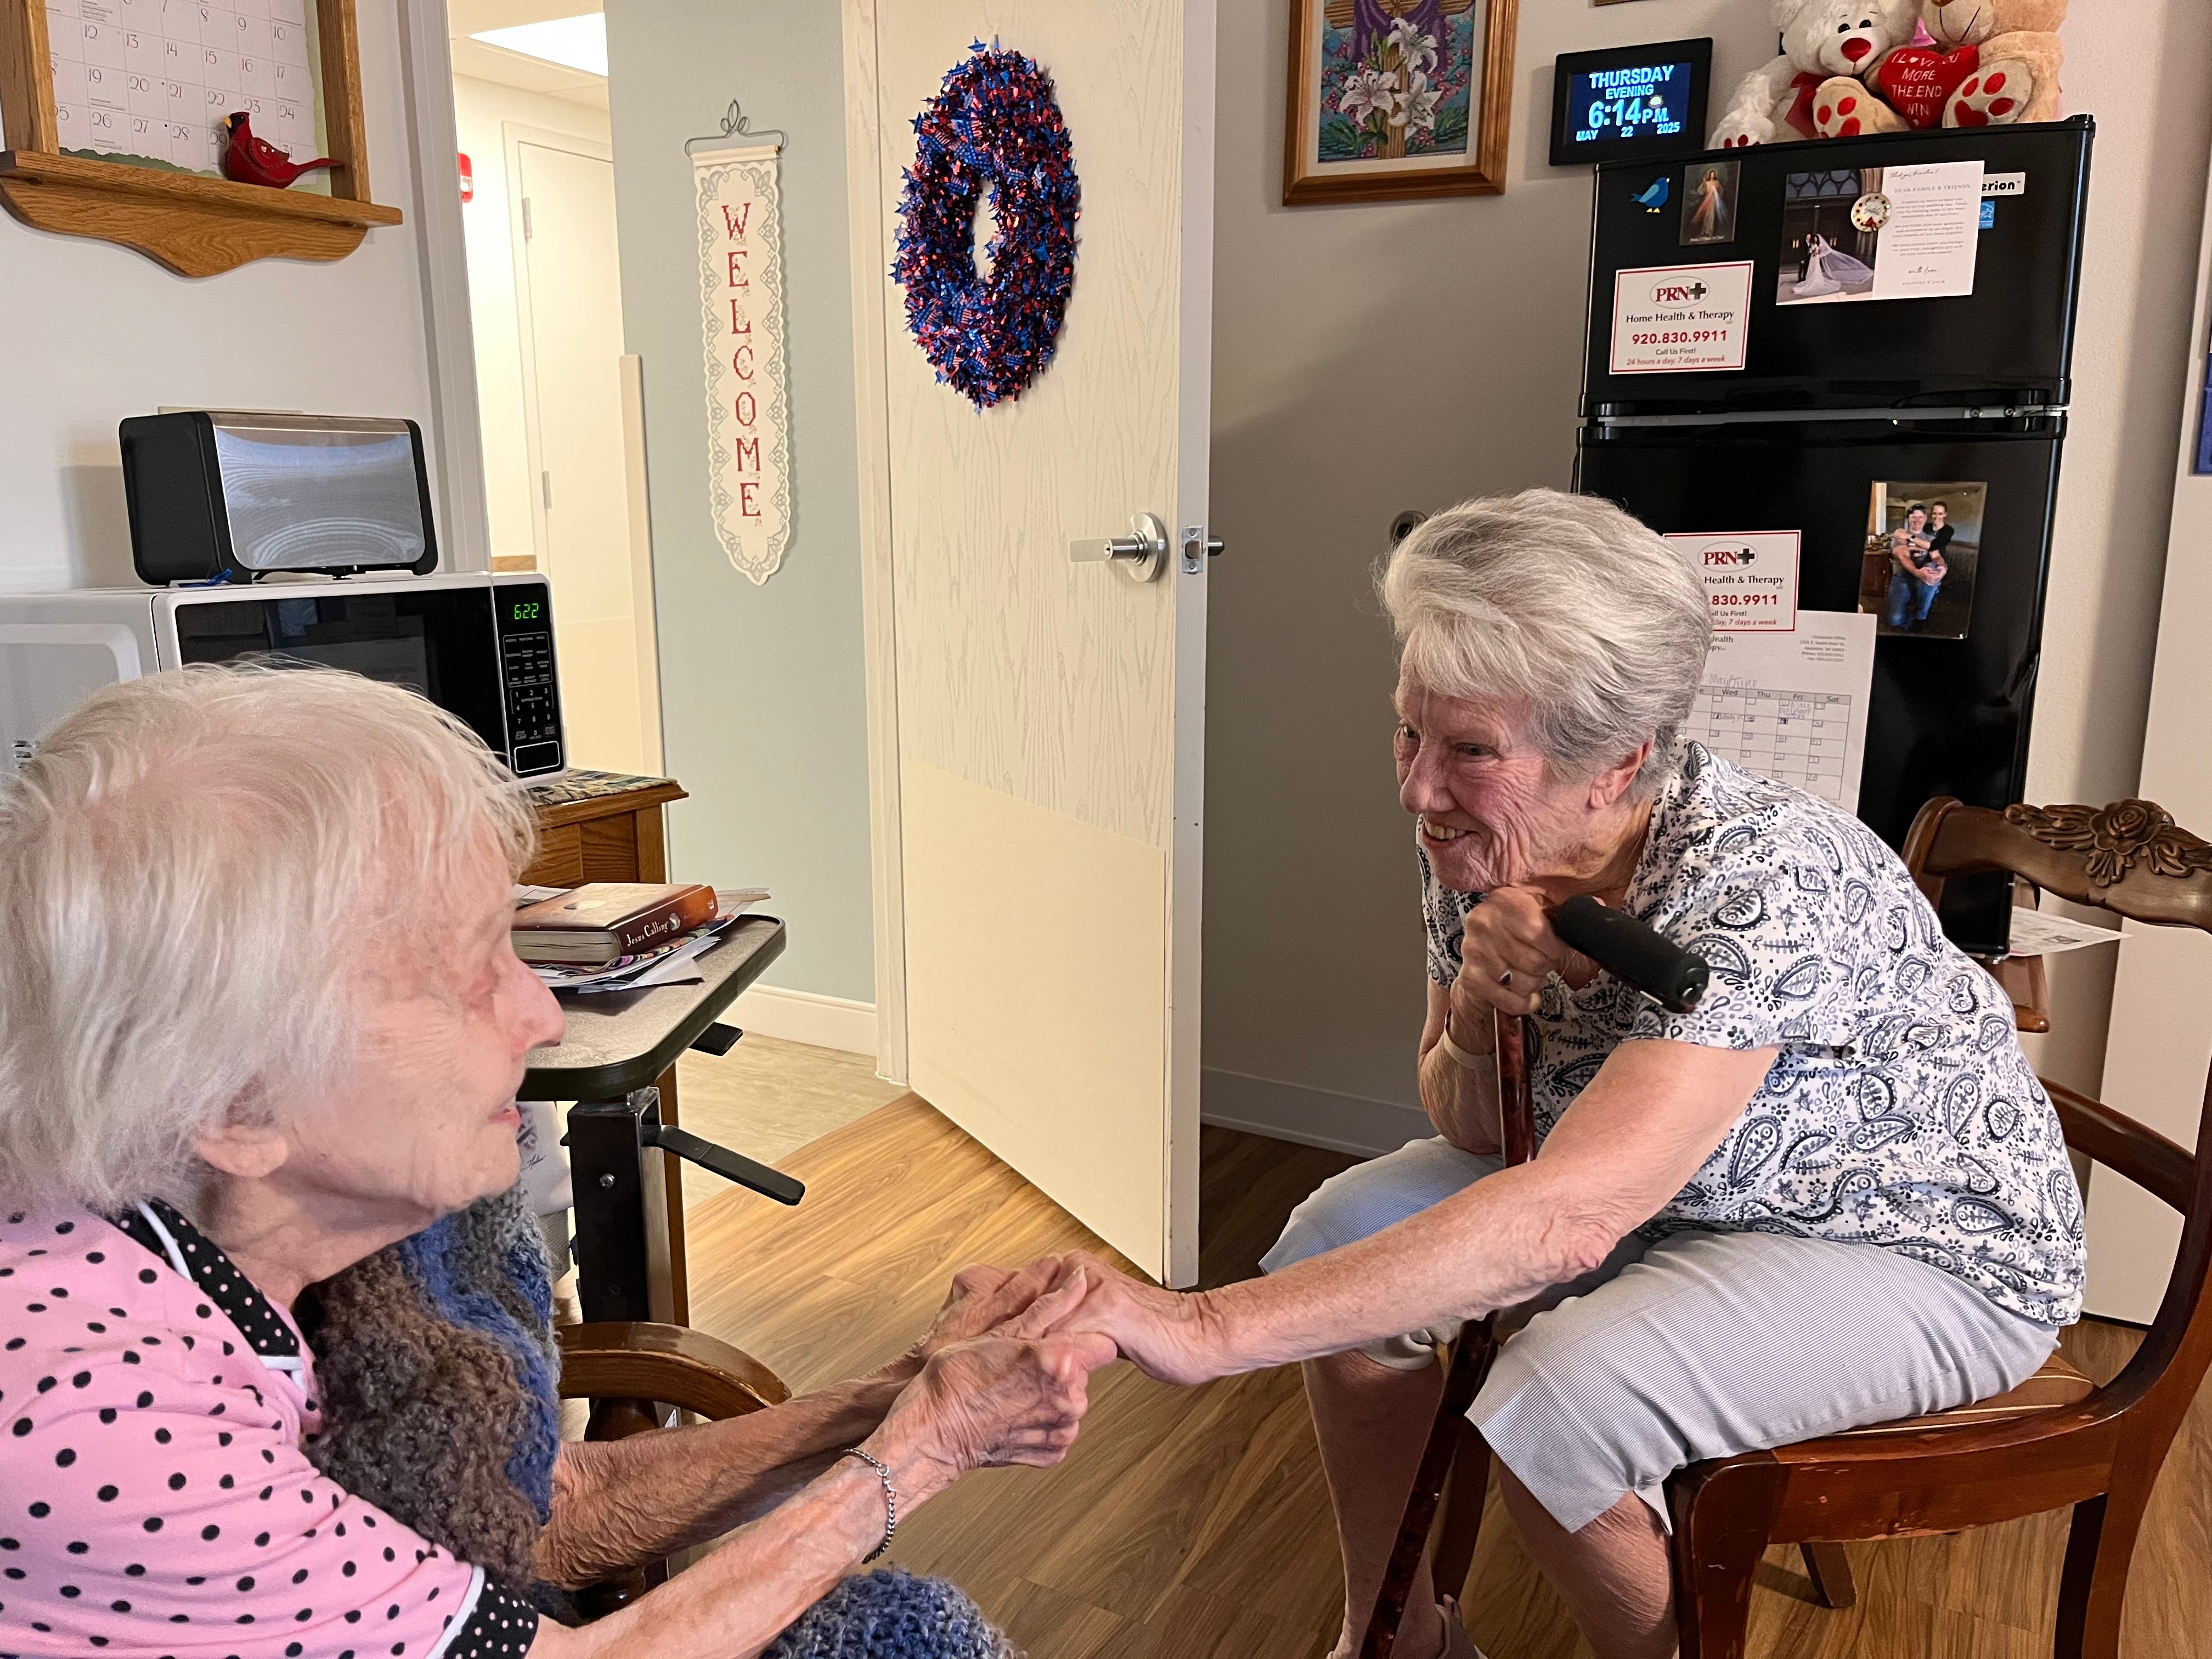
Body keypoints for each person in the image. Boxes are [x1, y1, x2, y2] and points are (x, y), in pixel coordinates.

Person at [1052, 490, 2085, 1659]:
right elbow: (1474, 1128)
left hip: (1910, 1246)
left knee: (1559, 1403)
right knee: (1336, 1249)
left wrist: (1203, 1326)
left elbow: (1570, 1217)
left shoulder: (1765, 875)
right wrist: (1485, 1001)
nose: (1417, 789)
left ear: (1619, 763)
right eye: (1409, 733)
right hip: (1675, 1197)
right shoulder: (1481, 837)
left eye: (1471, 750)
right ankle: (1398, 1639)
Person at [0, 665, 1116, 1659]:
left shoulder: (274, 1243)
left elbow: (537, 1507)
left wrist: (898, 1391)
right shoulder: (88, 1405)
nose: (540, 1013)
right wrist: (922, 1451)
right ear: (234, 1104)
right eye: (465, 972)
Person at [1791, 230, 1873, 298]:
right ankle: (1806, 279)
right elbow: (1808, 252)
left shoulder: (1819, 245)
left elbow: (1820, 253)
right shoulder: (1812, 245)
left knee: (1816, 270)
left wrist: (1816, 253)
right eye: (1814, 238)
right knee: (1810, 269)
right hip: (1811, 259)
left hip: (1815, 259)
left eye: (1816, 238)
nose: (1815, 239)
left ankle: (1814, 281)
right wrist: (1811, 253)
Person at [1686, 168, 1730, 241]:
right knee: (1706, 215)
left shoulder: (1717, 183)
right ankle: (1704, 230)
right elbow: (1700, 191)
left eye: (1714, 175)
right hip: (1707, 200)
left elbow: (1721, 191)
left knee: (1712, 216)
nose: (1712, 176)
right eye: (1711, 175)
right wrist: (1704, 184)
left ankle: (1710, 231)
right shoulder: (1707, 183)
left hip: (1713, 200)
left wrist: (1716, 195)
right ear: (1709, 175)